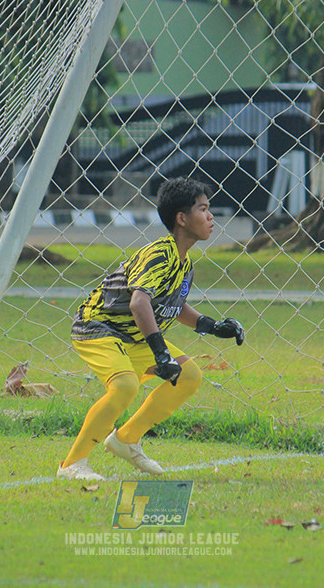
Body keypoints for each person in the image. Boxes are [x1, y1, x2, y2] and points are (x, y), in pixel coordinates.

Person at [57, 178, 246, 480]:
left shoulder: (184, 263)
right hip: (99, 327)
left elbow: (173, 306)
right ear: (182, 219)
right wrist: (161, 354)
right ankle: (72, 465)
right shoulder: (160, 254)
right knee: (125, 386)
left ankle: (126, 439)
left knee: (190, 375)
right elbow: (139, 303)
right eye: (204, 209)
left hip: (132, 335)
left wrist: (213, 326)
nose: (211, 217)